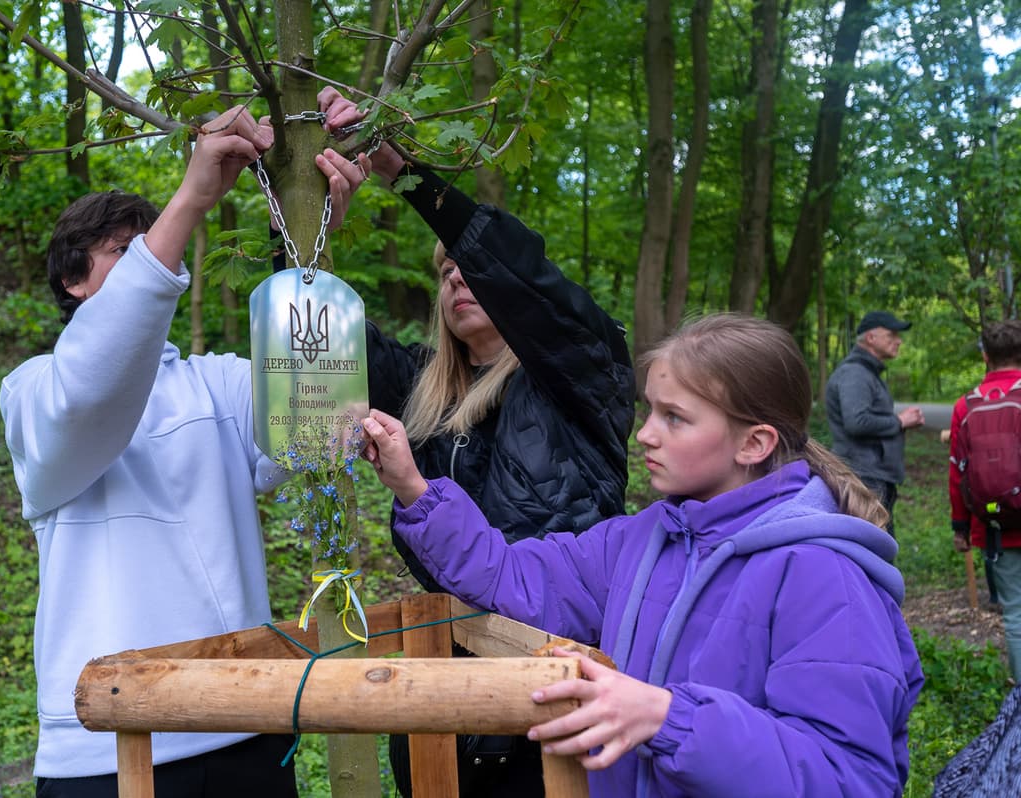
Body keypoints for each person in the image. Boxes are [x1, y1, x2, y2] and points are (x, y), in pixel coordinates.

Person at [361, 313, 924, 797]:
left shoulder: (826, 577)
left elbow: (849, 776)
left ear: (755, 443)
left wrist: (667, 718)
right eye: (649, 411)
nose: (646, 435)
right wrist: (414, 486)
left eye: (674, 418)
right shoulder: (644, 537)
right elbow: (516, 578)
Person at [0, 107, 362, 798]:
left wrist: (306, 256)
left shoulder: (215, 381)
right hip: (103, 745)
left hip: (242, 720)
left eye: (154, 248)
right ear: (74, 281)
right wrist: (192, 198)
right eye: (124, 252)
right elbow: (93, 392)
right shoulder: (32, 393)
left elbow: (315, 431)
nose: (153, 258)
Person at [315, 89, 636, 797]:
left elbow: (527, 279)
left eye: (470, 267)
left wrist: (402, 171)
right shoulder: (422, 391)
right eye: (446, 272)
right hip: (451, 678)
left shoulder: (578, 373)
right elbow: (323, 339)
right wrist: (312, 225)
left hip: (562, 664)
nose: (458, 275)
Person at [948, 319, 1021, 681]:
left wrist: (960, 528)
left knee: (1016, 615)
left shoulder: (966, 406)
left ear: (986, 357)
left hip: (997, 526)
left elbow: (957, 473)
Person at [826, 310, 925, 536]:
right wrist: (900, 421)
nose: (898, 341)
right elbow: (857, 422)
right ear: (871, 338)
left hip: (872, 476)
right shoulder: (855, 374)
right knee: (874, 552)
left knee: (878, 548)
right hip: (864, 478)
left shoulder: (866, 372)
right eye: (891, 335)